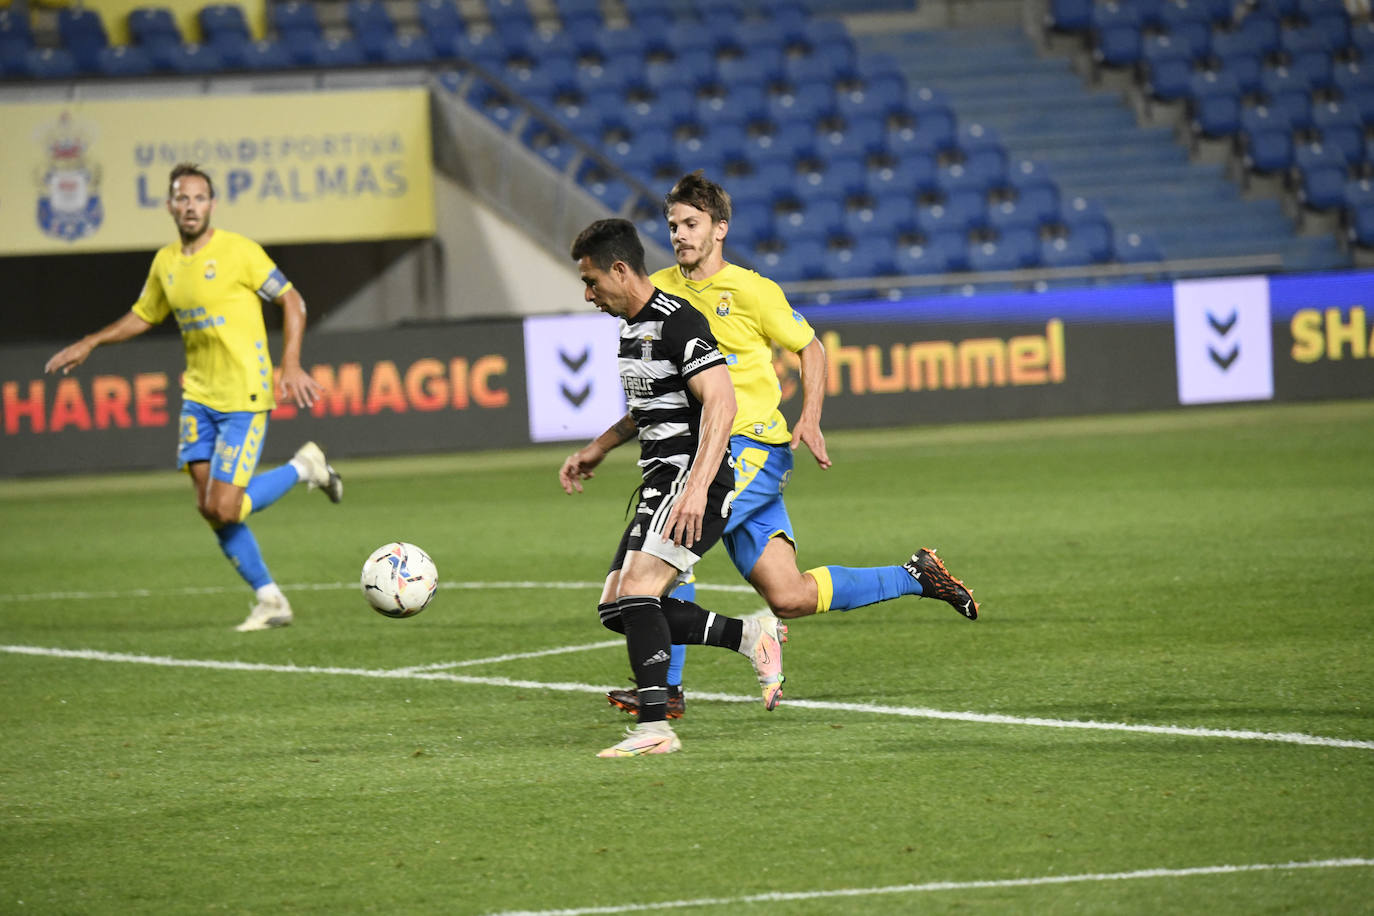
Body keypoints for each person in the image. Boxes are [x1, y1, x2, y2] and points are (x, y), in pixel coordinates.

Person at [607, 171, 980, 719]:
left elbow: (812, 350)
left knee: (670, 547)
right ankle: (916, 575)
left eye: (692, 223)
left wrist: (810, 418)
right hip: (705, 449)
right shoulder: (658, 290)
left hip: (751, 448)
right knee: (789, 596)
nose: (681, 234)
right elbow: (658, 388)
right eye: (673, 225)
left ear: (720, 228)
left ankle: (667, 690)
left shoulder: (754, 290)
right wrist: (605, 441)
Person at [44, 162, 342, 633]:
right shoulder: (166, 263)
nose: (190, 206)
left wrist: (291, 363)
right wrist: (92, 341)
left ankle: (304, 467)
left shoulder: (239, 252)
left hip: (243, 396)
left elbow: (292, 300)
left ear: (212, 205)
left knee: (225, 506)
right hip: (197, 398)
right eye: (181, 198)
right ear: (169, 206)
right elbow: (144, 315)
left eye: (199, 198)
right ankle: (271, 601)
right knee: (209, 508)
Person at [559, 217, 786, 758]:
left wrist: (696, 486)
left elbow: (722, 402)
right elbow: (649, 408)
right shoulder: (632, 329)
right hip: (660, 479)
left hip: (692, 479)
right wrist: (598, 446)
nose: (588, 295)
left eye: (592, 282)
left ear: (620, 269)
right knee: (618, 607)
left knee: (639, 591)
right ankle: (750, 635)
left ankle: (656, 726)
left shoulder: (679, 321)